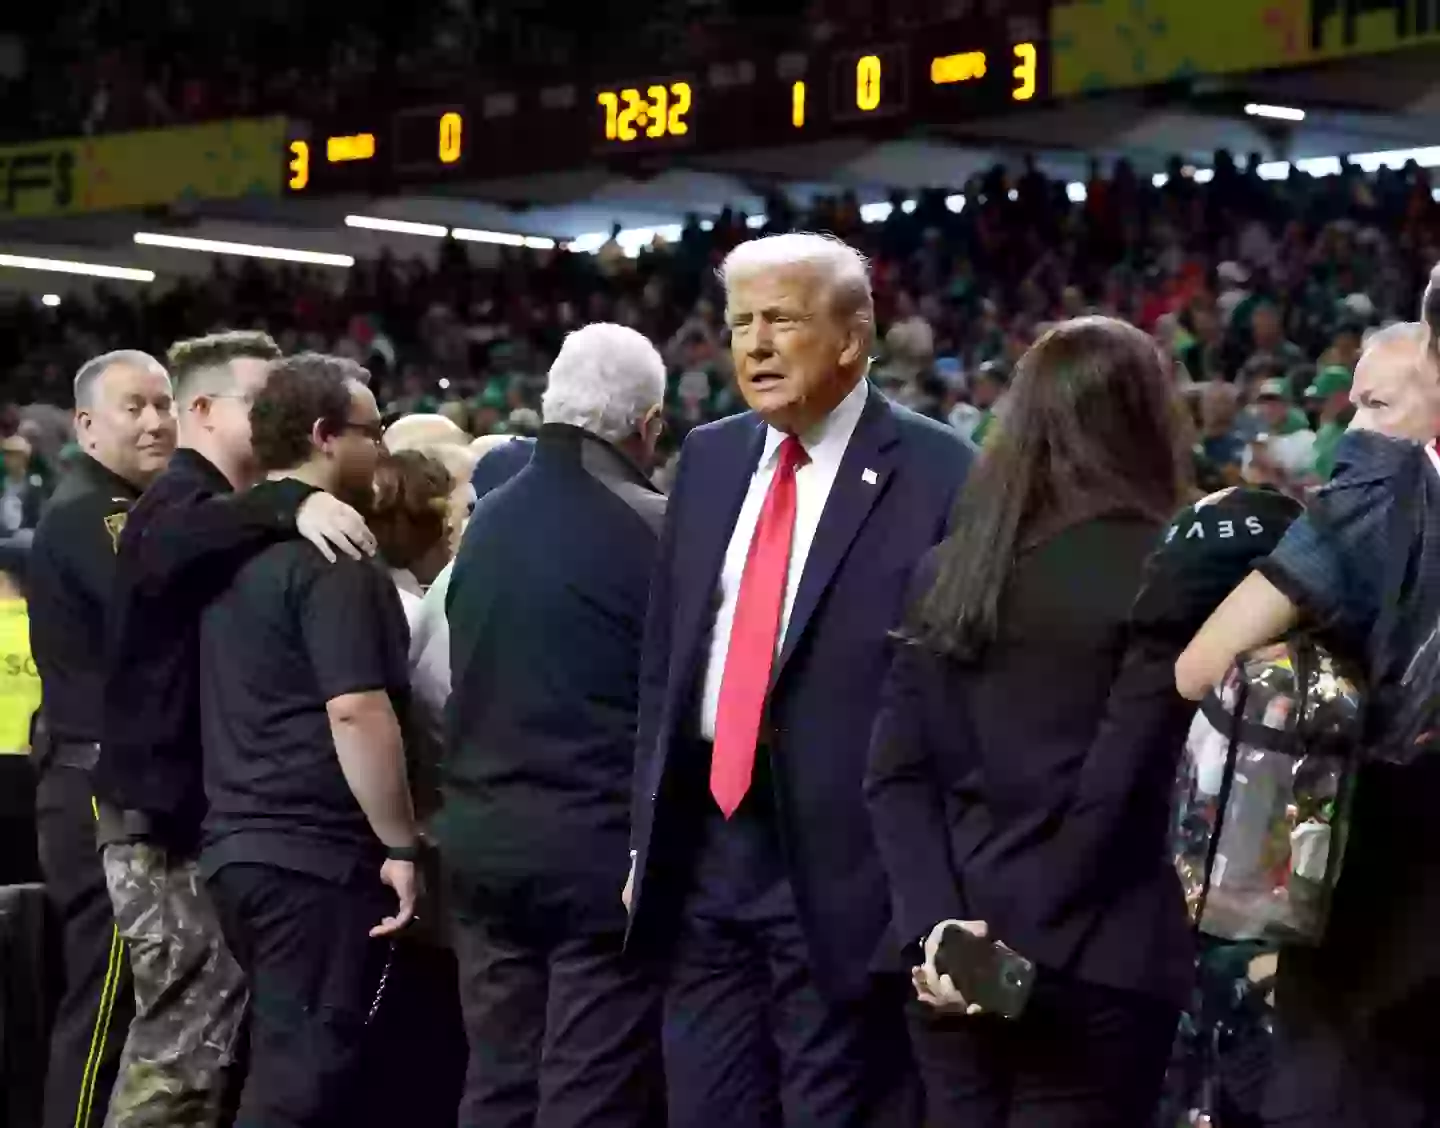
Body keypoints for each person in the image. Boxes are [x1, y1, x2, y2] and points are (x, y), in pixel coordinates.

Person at [626, 233, 972, 1127]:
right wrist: (643, 841)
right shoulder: (707, 457)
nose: (755, 345)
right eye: (741, 322)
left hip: (846, 864)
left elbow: (952, 690)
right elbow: (667, 662)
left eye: (781, 319)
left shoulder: (938, 471)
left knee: (832, 1109)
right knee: (705, 1102)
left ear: (854, 337)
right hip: (704, 847)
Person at [864, 317, 1194, 1126]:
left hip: (951, 958)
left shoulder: (949, 569)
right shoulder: (1165, 565)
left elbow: (895, 777)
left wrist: (947, 932)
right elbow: (1115, 791)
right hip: (1094, 964)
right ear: (1144, 417)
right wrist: (1021, 948)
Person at [94, 332, 375, 1128]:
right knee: (182, 1051)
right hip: (162, 827)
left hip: (204, 821)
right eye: (262, 400)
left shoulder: (225, 514)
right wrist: (294, 497)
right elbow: (178, 543)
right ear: (206, 412)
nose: (283, 414)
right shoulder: (175, 501)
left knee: (211, 1050)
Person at [1175, 319, 1440, 1126]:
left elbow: (1199, 664)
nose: (1355, 428)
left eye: (1376, 404)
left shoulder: (1373, 503)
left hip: (1383, 897)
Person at [438, 323, 668, 1128]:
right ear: (649, 426)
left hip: (481, 848)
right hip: (594, 859)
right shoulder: (653, 527)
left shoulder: (486, 521)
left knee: (497, 1084)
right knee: (587, 1095)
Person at [198, 354, 420, 1128]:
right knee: (302, 1082)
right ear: (326, 437)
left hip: (236, 845)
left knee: (280, 1060)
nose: (383, 446)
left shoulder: (226, 550)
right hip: (312, 856)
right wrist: (402, 843)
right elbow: (356, 710)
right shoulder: (336, 555)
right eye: (372, 430)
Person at [29, 350, 176, 1128]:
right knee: (105, 1007)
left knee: (117, 1000)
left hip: (94, 780)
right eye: (133, 407)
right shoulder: (97, 514)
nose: (155, 421)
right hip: (95, 793)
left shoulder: (125, 505)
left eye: (164, 404)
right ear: (86, 425)